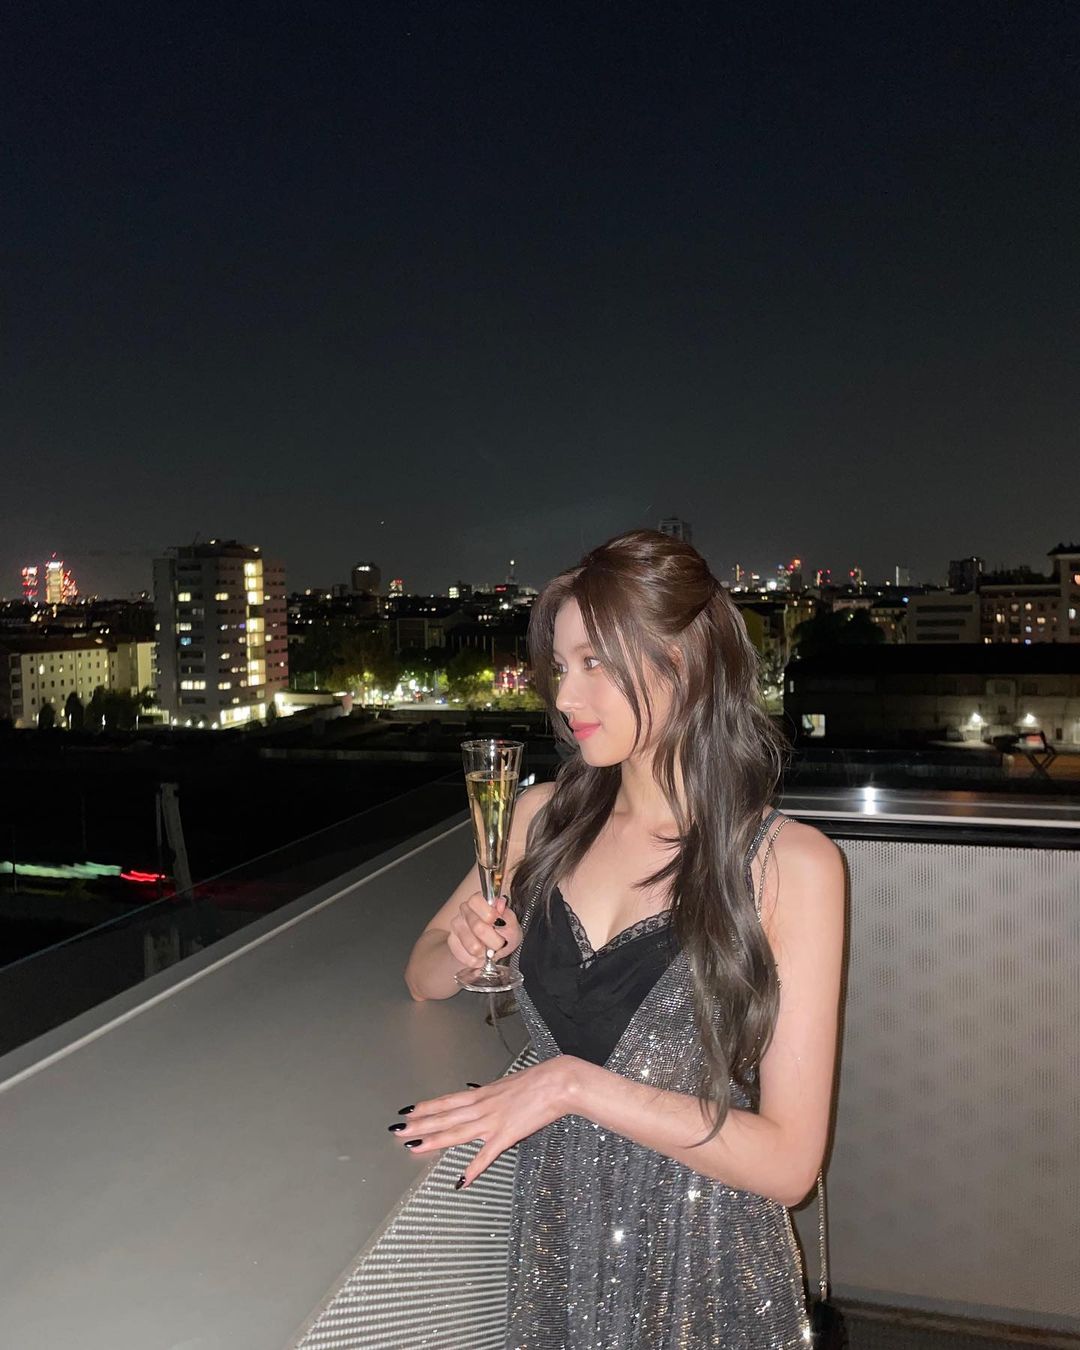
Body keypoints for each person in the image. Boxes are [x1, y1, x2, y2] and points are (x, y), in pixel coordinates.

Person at [401, 528, 846, 1348]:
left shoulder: (787, 864)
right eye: (559, 666)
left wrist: (573, 1086)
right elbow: (422, 973)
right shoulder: (542, 819)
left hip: (703, 1248)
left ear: (683, 664)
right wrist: (464, 951)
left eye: (594, 664)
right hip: (557, 1229)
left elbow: (789, 1166)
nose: (565, 695)